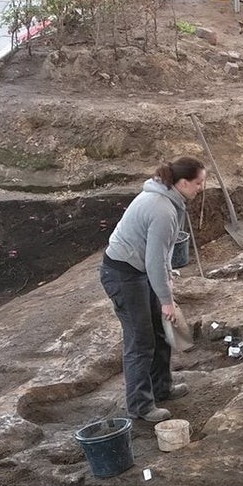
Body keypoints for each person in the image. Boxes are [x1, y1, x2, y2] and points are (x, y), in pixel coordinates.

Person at [101, 157, 207, 426]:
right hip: (124, 273)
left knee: (159, 332)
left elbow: (163, 254)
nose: (201, 188)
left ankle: (161, 388)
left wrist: (166, 283)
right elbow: (154, 260)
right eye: (198, 183)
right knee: (140, 341)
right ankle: (140, 406)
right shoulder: (162, 209)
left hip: (138, 270)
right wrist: (166, 300)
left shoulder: (170, 200)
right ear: (182, 183)